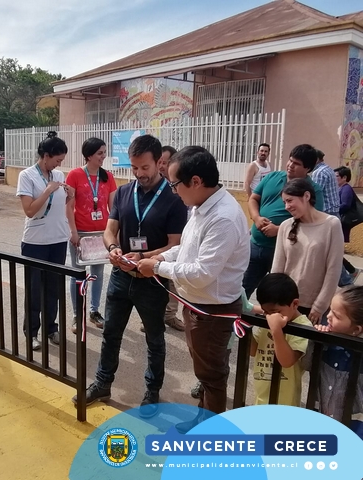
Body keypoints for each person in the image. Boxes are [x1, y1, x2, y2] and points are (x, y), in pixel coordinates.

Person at [72, 134, 187, 418]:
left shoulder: (173, 200)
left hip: (153, 280)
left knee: (154, 339)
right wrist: (113, 248)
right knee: (111, 333)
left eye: (144, 167)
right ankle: (102, 383)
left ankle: (152, 392)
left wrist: (146, 258)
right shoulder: (124, 193)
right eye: (134, 168)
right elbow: (111, 229)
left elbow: (176, 244)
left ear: (159, 163)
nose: (139, 174)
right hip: (122, 276)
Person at [137, 145, 250, 422]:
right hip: (198, 305)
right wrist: (161, 256)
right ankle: (202, 421)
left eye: (175, 184)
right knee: (206, 374)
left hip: (212, 310)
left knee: (211, 377)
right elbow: (188, 249)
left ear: (196, 181)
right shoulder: (201, 207)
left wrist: (158, 267)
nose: (173, 191)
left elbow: (202, 272)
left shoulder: (222, 217)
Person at [16, 131, 75, 350]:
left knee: (53, 289)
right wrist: (48, 191)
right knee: (34, 290)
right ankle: (31, 332)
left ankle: (51, 328)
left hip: (58, 239)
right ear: (46, 156)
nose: (59, 165)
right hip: (35, 242)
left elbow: (65, 207)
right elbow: (30, 210)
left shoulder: (58, 176)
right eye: (57, 160)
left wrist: (70, 196)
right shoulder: (27, 175)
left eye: (61, 161)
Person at [243, 144, 324, 299]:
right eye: (290, 160)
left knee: (278, 295)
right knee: (242, 289)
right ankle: (239, 321)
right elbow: (254, 198)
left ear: (308, 169)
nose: (290, 165)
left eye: (296, 164)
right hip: (255, 245)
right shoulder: (272, 177)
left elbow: (313, 223)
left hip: (284, 251)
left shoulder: (312, 190)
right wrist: (256, 218)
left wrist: (279, 229)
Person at [271, 179, 343, 324]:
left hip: (315, 307)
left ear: (306, 196)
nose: (287, 206)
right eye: (284, 202)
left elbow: (333, 270)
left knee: (311, 346)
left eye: (290, 201)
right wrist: (275, 301)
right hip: (288, 304)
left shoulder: (331, 224)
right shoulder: (285, 226)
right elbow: (277, 269)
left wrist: (319, 306)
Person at [66, 138, 117, 333]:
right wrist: (73, 231)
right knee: (78, 274)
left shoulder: (108, 177)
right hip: (81, 233)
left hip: (101, 234)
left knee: (97, 273)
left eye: (104, 152)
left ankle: (94, 311)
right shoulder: (75, 175)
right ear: (89, 155)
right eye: (100, 153)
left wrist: (114, 233)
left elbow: (113, 208)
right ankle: (77, 314)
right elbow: (69, 206)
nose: (103, 156)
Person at [303, 286, 363, 439]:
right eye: (329, 310)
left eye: (336, 316)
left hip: (353, 426)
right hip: (320, 416)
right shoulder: (326, 345)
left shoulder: (359, 356)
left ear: (356, 329)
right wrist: (315, 341)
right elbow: (306, 364)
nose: (328, 316)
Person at [251, 273, 312, 406]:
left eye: (274, 311)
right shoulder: (269, 320)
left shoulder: (303, 326)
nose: (269, 316)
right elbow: (252, 350)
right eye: (265, 312)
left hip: (285, 402)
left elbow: (287, 361)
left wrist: (276, 331)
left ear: (295, 304)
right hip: (261, 397)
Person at [190, 289, 263, 398]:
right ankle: (205, 385)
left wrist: (266, 310)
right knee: (205, 364)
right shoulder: (231, 286)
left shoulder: (236, 288)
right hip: (209, 336)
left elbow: (247, 307)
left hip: (221, 340)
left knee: (219, 367)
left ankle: (215, 389)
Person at [311, 150, 352, 287]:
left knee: (329, 252)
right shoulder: (328, 169)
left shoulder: (319, 173)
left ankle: (347, 282)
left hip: (326, 215)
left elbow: (313, 195)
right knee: (330, 251)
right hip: (333, 214)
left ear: (315, 159)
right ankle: (347, 280)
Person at [154, 145, 184, 332]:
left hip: (179, 241)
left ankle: (170, 315)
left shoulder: (180, 186)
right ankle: (153, 316)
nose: (162, 166)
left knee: (174, 281)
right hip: (161, 242)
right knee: (156, 279)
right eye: (160, 162)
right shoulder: (154, 186)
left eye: (166, 162)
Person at [334, 166, 362, 283]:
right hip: (341, 221)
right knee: (335, 251)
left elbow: (345, 204)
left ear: (344, 177)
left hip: (344, 222)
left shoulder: (346, 189)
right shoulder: (341, 188)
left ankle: (351, 272)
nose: (334, 179)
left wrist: (333, 210)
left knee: (334, 251)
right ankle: (352, 270)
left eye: (336, 177)